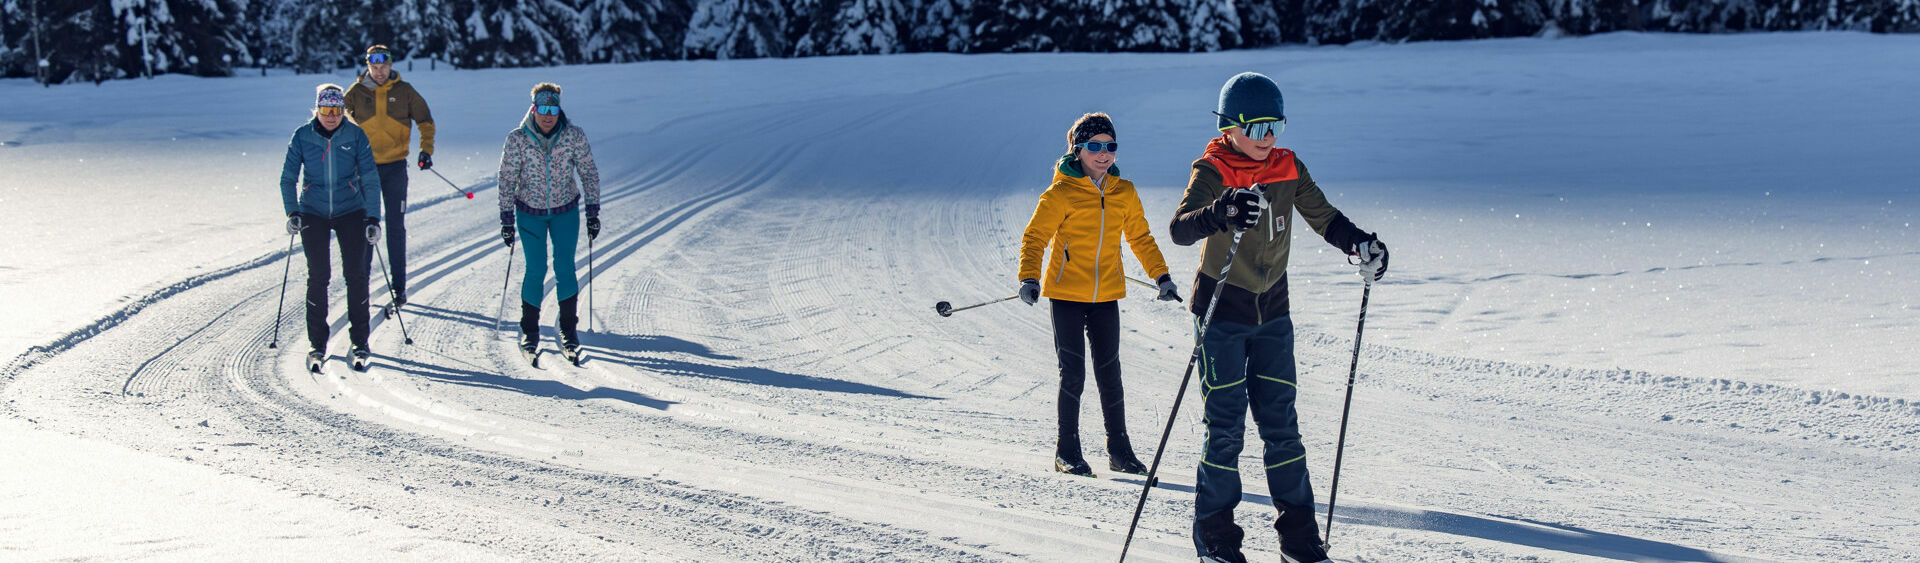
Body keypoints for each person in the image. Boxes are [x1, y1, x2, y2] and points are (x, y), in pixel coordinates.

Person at [1168, 72, 1389, 563]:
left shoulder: (1289, 168)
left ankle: (1299, 538)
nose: (1269, 140)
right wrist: (1221, 212)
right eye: (1259, 129)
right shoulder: (1212, 169)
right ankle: (1215, 536)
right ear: (1232, 128)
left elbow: (1326, 218)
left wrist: (1363, 245)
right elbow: (1181, 229)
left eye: (1276, 128)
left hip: (1273, 312)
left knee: (1281, 426)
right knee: (1224, 429)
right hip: (1222, 310)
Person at [1017, 112, 1183, 478]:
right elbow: (1035, 237)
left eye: (1110, 146)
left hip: (1106, 294)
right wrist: (1029, 277)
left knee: (1111, 374)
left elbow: (1140, 238)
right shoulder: (1060, 193)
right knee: (1073, 373)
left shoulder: (1124, 192)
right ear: (1078, 151)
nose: (1104, 154)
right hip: (1066, 295)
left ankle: (1119, 452)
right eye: (1095, 146)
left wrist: (1162, 276)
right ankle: (1067, 451)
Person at [280, 84, 384, 371]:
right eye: (325, 110)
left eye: (336, 111)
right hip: (313, 210)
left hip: (351, 208)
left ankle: (360, 341)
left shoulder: (355, 134)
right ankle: (317, 343)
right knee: (319, 276)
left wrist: (373, 218)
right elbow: (288, 178)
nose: (331, 116)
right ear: (317, 110)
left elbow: (371, 179)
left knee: (356, 274)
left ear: (342, 111)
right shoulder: (302, 136)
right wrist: (293, 211)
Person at [497, 83, 601, 364]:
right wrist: (506, 217)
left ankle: (569, 330)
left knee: (565, 266)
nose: (547, 115)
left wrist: (593, 210)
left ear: (559, 109)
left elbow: (589, 172)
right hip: (529, 211)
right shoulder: (517, 139)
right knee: (535, 267)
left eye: (553, 109)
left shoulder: (573, 136)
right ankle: (529, 331)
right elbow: (507, 178)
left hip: (564, 210)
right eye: (542, 109)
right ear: (533, 109)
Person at [344, 44, 435, 307]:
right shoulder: (356, 93)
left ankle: (399, 287)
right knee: (365, 228)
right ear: (368, 66)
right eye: (374, 66)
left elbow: (425, 121)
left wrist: (425, 150)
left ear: (391, 65)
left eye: (384, 66)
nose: (380, 71)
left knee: (395, 227)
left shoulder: (404, 91)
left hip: (395, 168)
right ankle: (362, 287)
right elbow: (339, 126)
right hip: (364, 170)